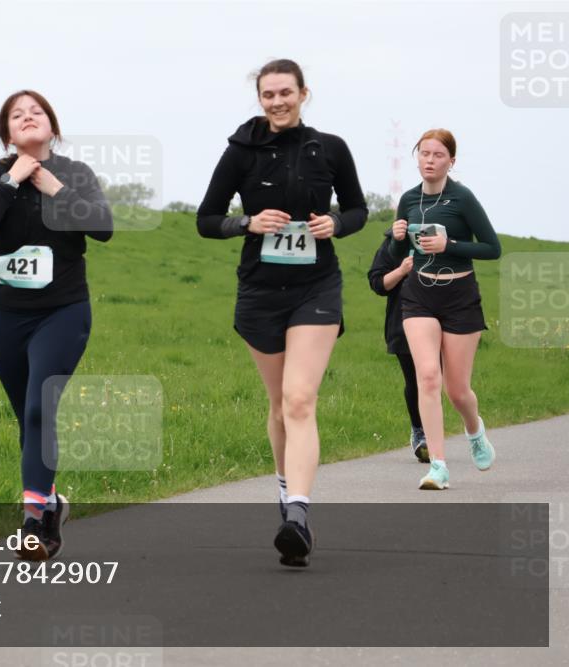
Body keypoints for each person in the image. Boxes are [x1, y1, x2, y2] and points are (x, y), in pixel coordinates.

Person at [196, 59, 368, 567]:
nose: (276, 102)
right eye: (268, 94)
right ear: (260, 98)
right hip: (260, 292)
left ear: (303, 94)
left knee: (299, 399)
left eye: (285, 93)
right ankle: (285, 487)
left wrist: (335, 224)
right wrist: (246, 222)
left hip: (316, 286)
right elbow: (206, 219)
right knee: (278, 405)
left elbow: (358, 209)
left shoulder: (330, 148)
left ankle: (297, 514)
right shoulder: (240, 151)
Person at [0, 90, 112, 561]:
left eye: (37, 113)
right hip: (6, 314)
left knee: (38, 410)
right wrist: (12, 180)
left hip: (62, 311)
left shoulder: (74, 174)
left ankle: (31, 521)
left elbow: (103, 226)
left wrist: (54, 189)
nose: (28, 118)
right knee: (26, 418)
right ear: (7, 133)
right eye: (17, 115)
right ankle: (51, 509)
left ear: (52, 125)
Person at [390, 129, 501, 490]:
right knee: (427, 376)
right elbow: (396, 255)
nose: (430, 160)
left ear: (451, 161)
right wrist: (395, 238)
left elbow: (492, 248)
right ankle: (438, 465)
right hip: (419, 294)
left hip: (459, 295)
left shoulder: (463, 198)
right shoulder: (407, 199)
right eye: (424, 153)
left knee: (457, 390)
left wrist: (448, 244)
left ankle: (474, 431)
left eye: (438, 155)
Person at [368, 232, 428, 462]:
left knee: (437, 381)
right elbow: (378, 283)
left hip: (444, 319)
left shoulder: (444, 235)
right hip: (403, 322)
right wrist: (402, 270)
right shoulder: (394, 243)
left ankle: (456, 430)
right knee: (416, 380)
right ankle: (420, 432)